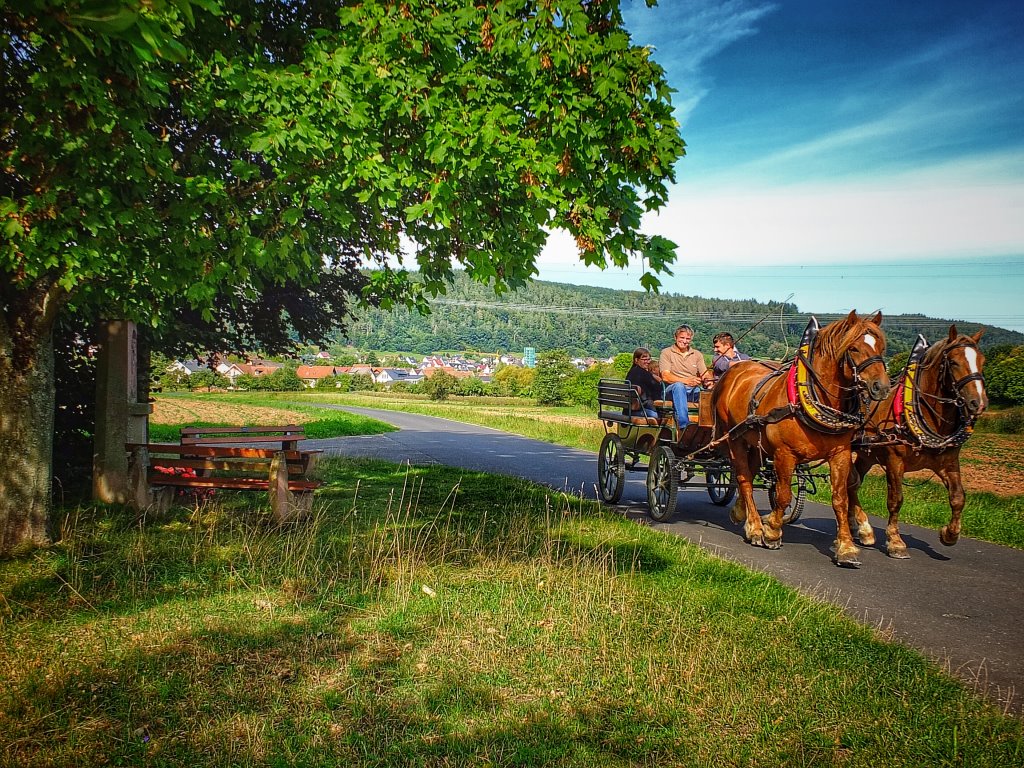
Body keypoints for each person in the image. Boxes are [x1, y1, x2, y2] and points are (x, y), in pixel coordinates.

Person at [659, 325, 711, 427]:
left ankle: (709, 426)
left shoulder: (697, 354)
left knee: (707, 394)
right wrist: (686, 381)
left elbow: (704, 373)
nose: (684, 341)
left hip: (692, 390)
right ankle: (684, 425)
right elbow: (666, 376)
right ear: (675, 337)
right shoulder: (666, 353)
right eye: (682, 338)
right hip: (672, 389)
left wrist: (708, 382)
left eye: (688, 339)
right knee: (679, 386)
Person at [626, 347, 662, 418]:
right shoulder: (643, 373)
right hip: (639, 410)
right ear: (636, 360)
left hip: (628, 409)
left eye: (649, 359)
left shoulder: (632, 372)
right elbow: (658, 389)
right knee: (663, 415)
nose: (648, 362)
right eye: (644, 359)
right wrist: (660, 380)